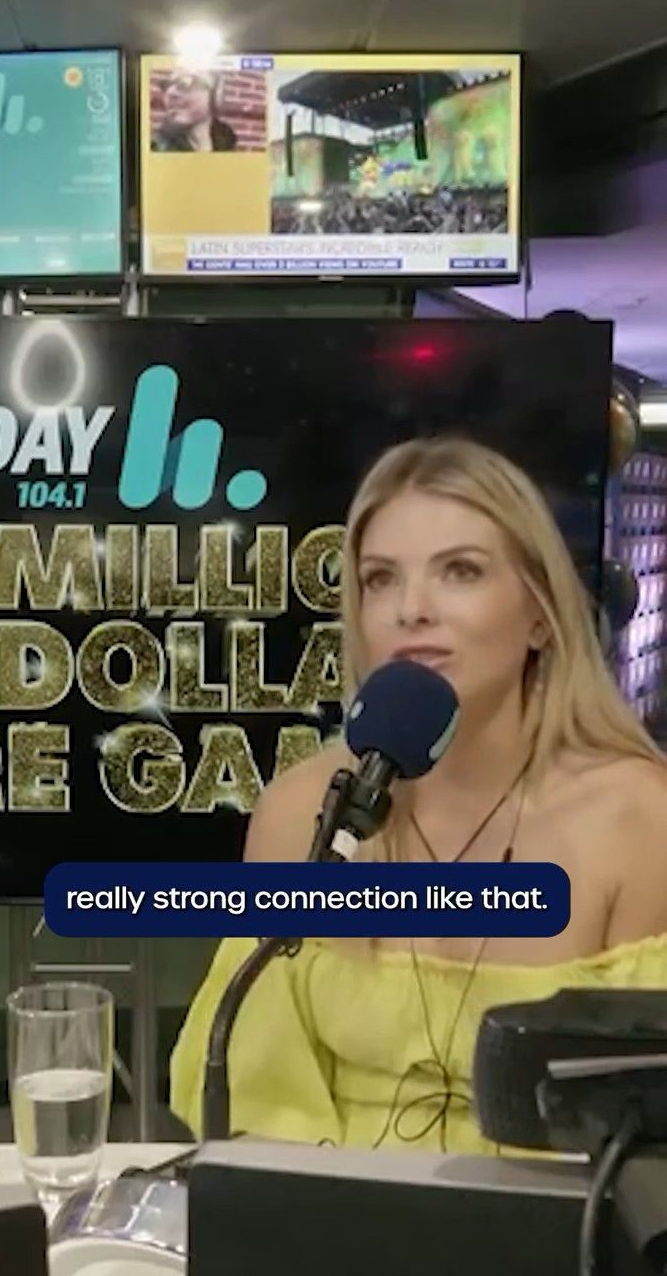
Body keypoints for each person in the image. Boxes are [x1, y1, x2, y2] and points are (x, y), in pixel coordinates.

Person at [170, 436, 667, 1155]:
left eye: (460, 571)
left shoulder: (639, 818)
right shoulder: (302, 815)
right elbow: (257, 1103)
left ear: (540, 613)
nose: (411, 609)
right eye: (380, 580)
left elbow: (645, 1137)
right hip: (326, 1209)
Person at [152, 72, 237, 153]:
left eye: (184, 83)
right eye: (166, 86)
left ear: (214, 96)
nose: (170, 93)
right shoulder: (154, 146)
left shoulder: (227, 142)